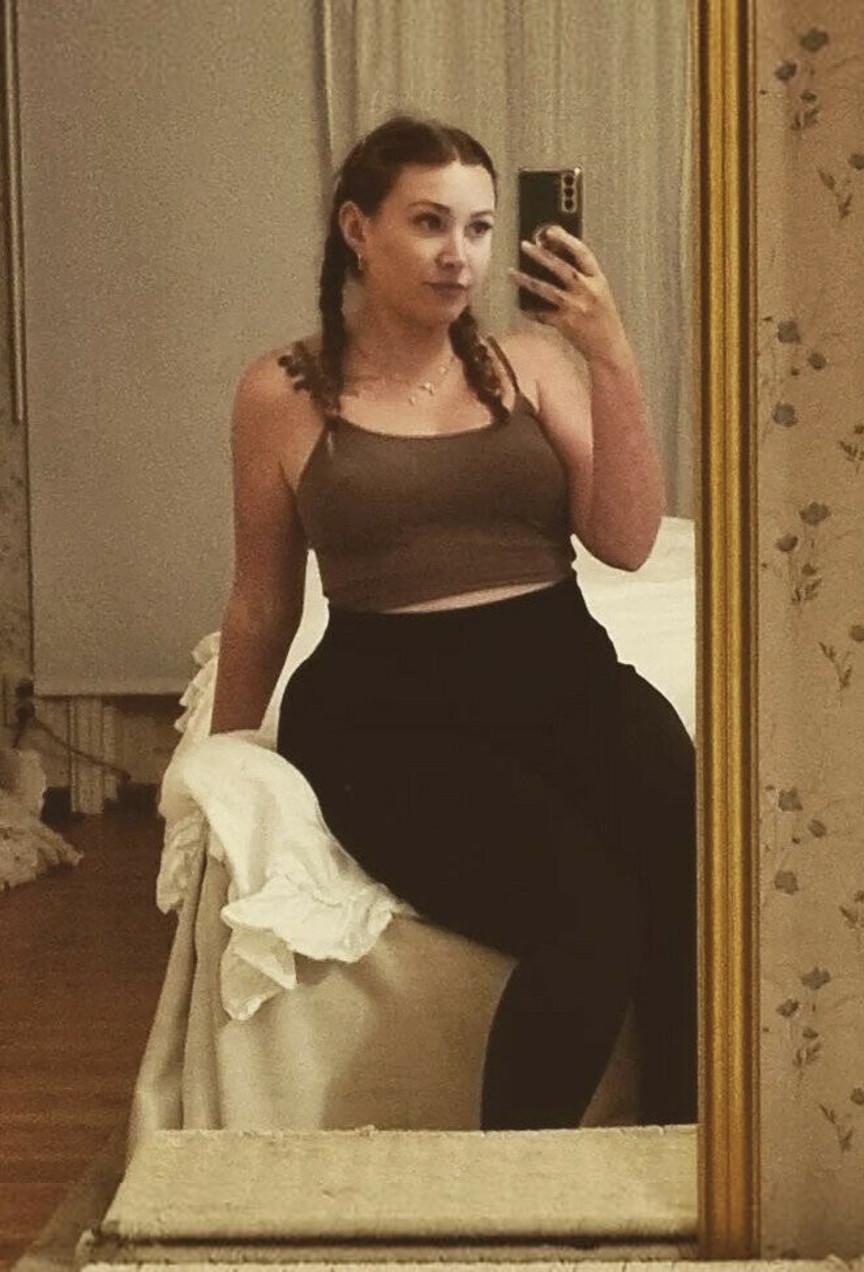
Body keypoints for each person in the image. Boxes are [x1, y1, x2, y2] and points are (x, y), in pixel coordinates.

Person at [208, 112, 696, 1130]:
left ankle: (684, 1158)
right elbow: (262, 601)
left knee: (698, 881)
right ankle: (506, 1198)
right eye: (429, 222)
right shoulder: (282, 391)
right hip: (387, 719)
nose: (458, 255)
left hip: (565, 682)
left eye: (477, 228)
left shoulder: (533, 364)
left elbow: (627, 540)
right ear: (358, 228)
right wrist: (215, 780)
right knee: (590, 919)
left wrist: (611, 357)